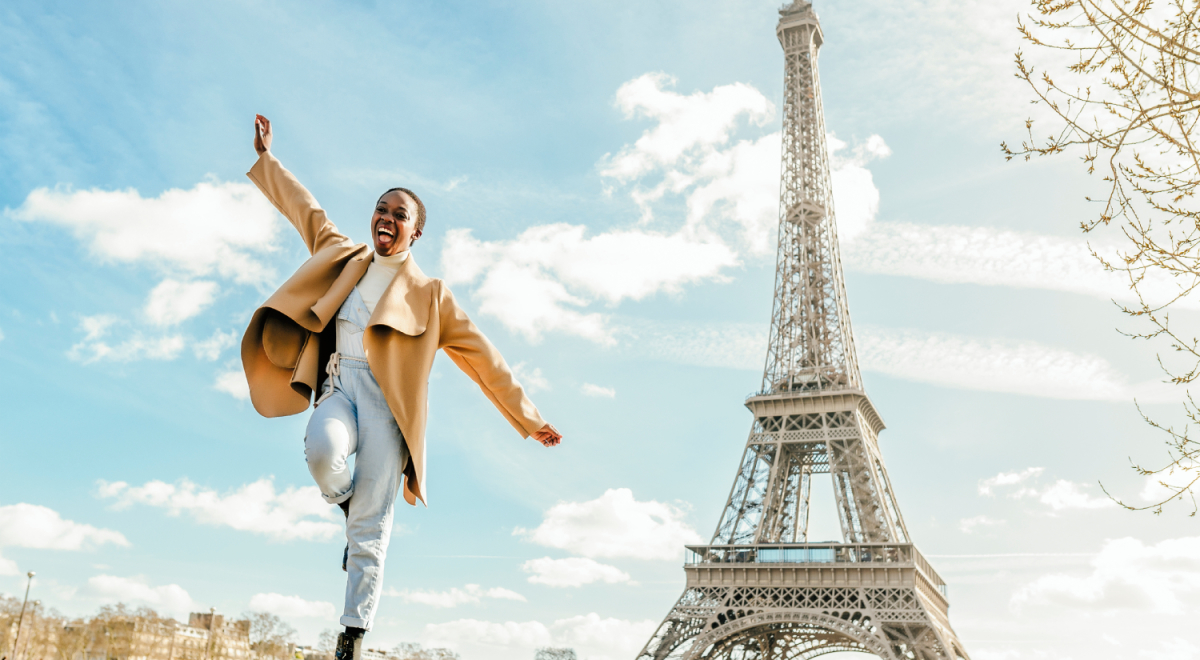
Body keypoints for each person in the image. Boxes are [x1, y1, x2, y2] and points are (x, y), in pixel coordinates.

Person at [240, 115, 562, 660]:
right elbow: (303, 208)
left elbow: (485, 359)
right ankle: (345, 504)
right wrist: (268, 159)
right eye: (382, 209)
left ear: (416, 232)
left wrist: (527, 419)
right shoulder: (341, 253)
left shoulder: (432, 295)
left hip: (390, 410)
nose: (386, 218)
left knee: (373, 530)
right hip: (341, 385)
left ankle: (353, 636)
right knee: (322, 453)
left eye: (400, 214)